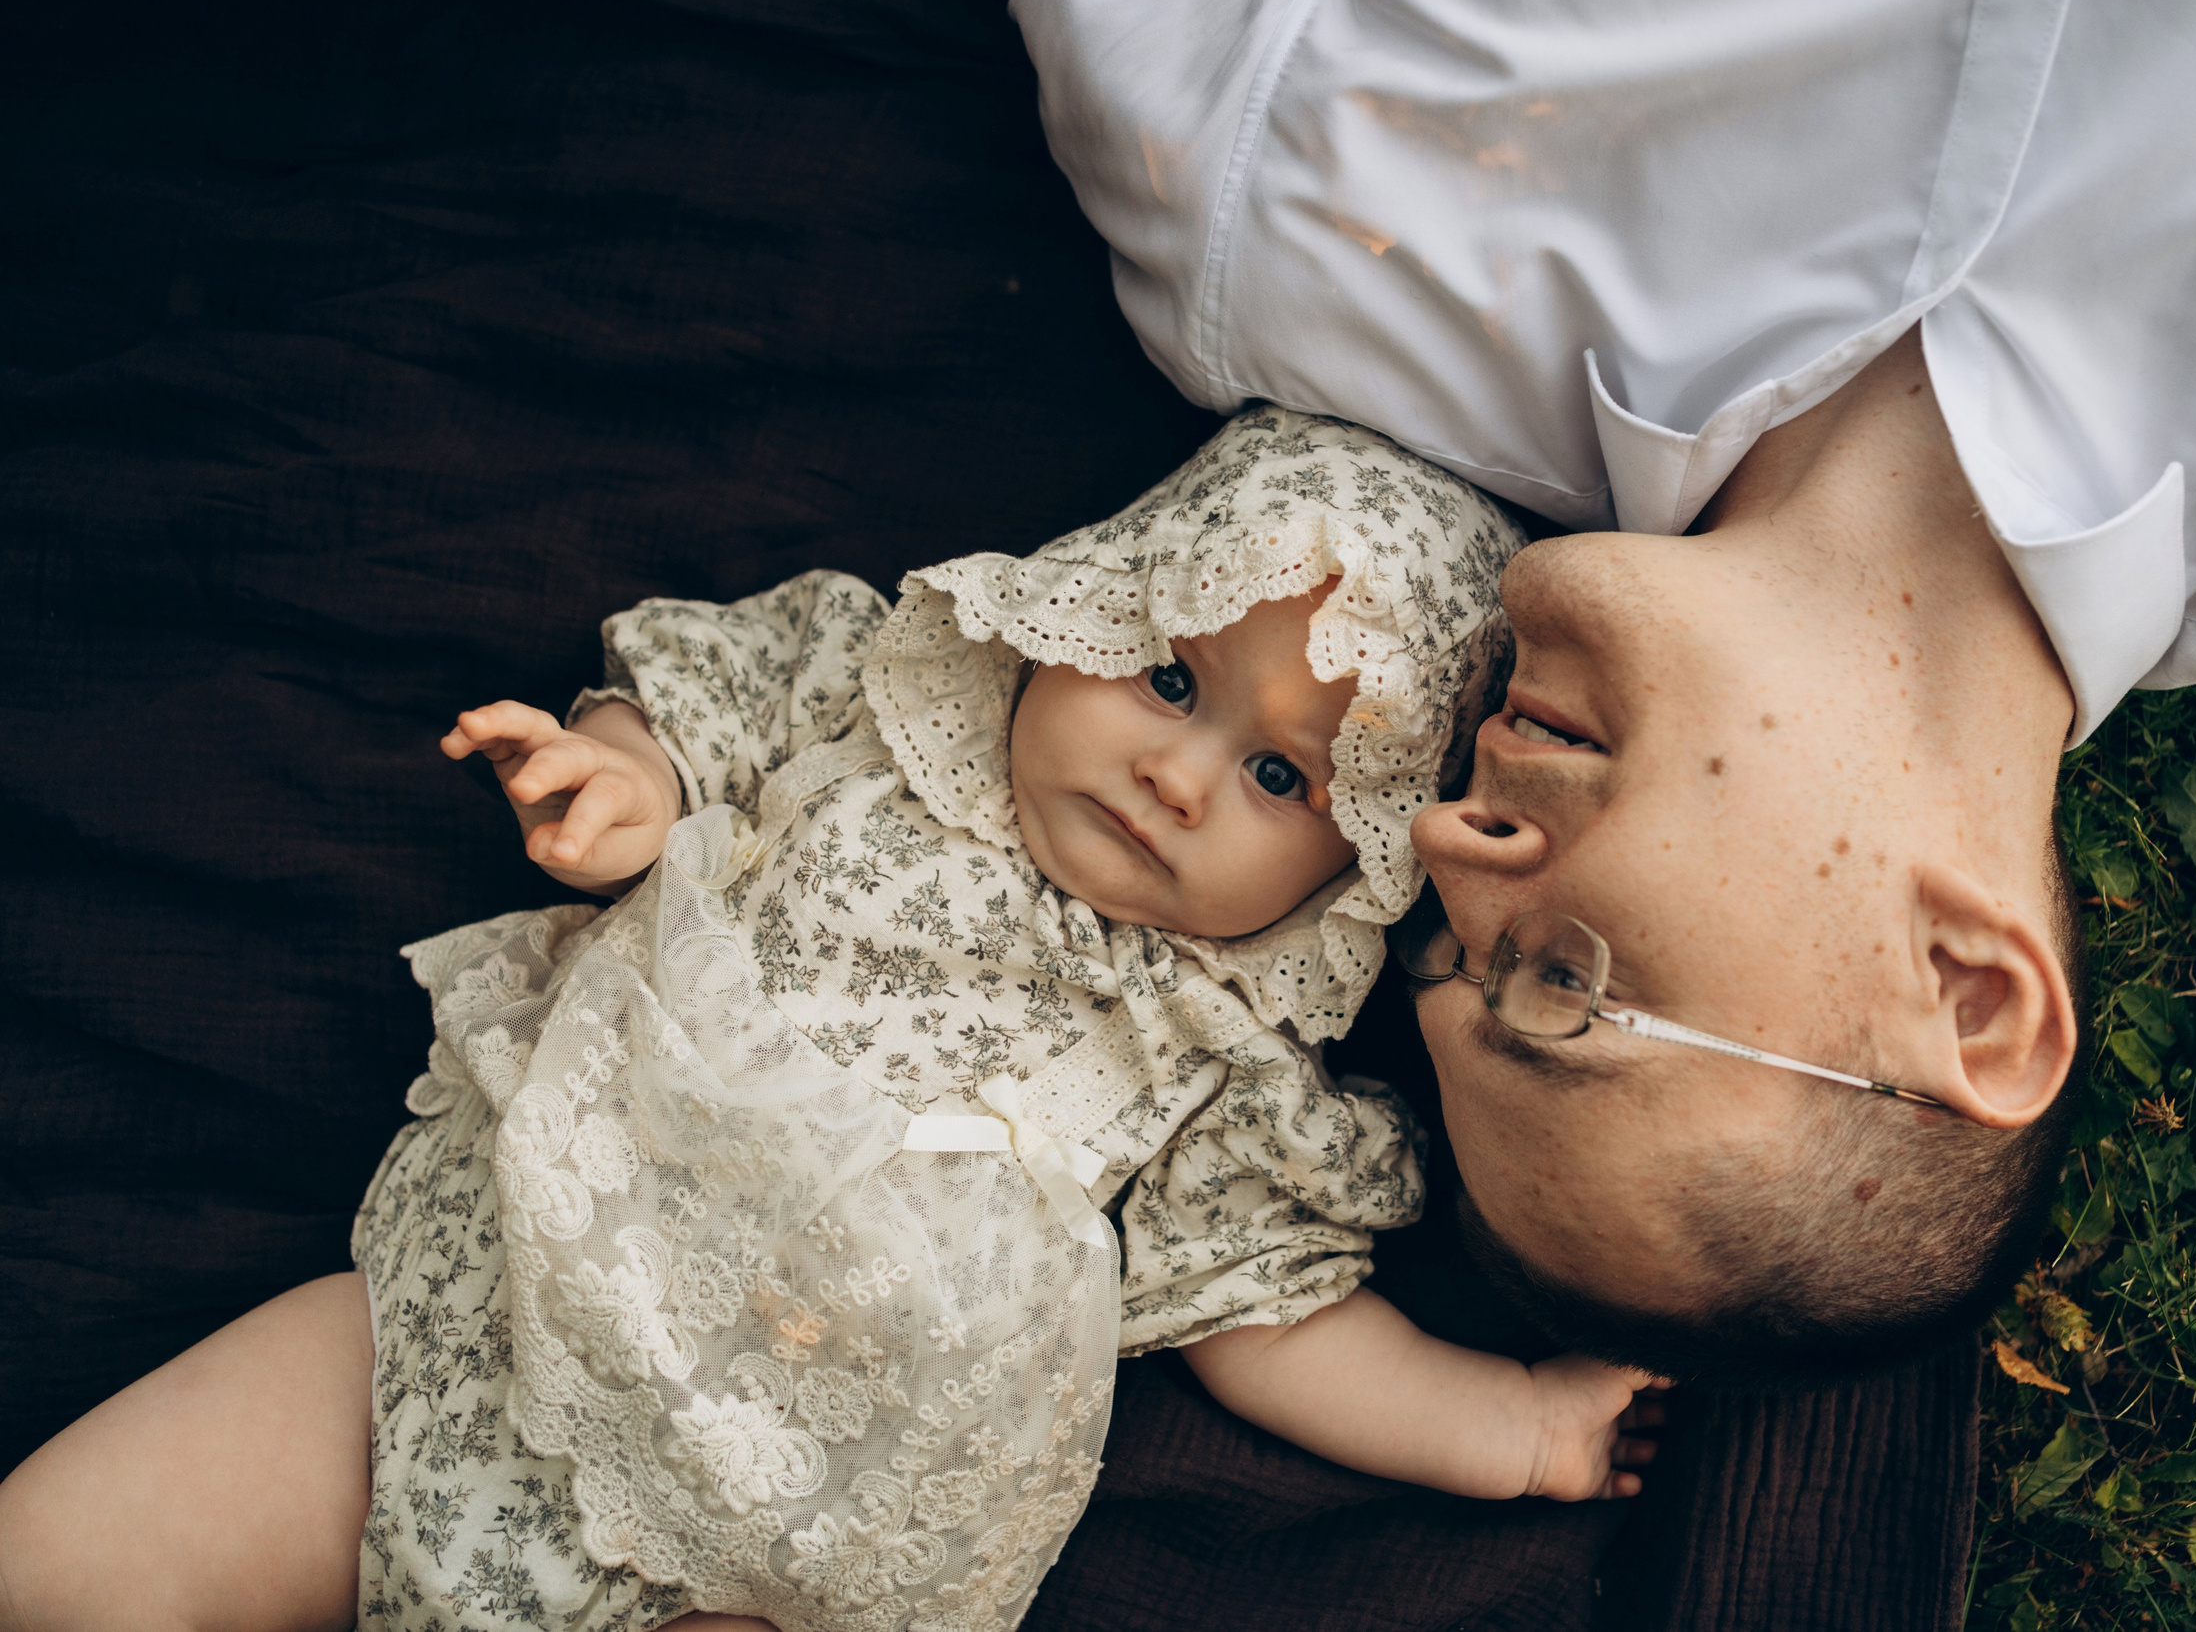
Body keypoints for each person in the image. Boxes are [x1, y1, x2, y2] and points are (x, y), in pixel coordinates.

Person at [984, 0, 2196, 1381]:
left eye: (1437, 951)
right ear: (1968, 995)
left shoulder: (1274, 230)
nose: (1440, 845)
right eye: (1557, 987)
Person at [0, 411, 1675, 1630]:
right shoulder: (869, 706)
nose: (1177, 774)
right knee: (62, 1565)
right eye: (1167, 678)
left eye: (1276, 776)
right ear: (1073, 610)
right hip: (471, 1321)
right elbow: (697, 712)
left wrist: (1515, 1432)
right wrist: (626, 782)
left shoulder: (1226, 1057)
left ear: (1360, 855)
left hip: (755, 1546)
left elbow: (1272, 1320)